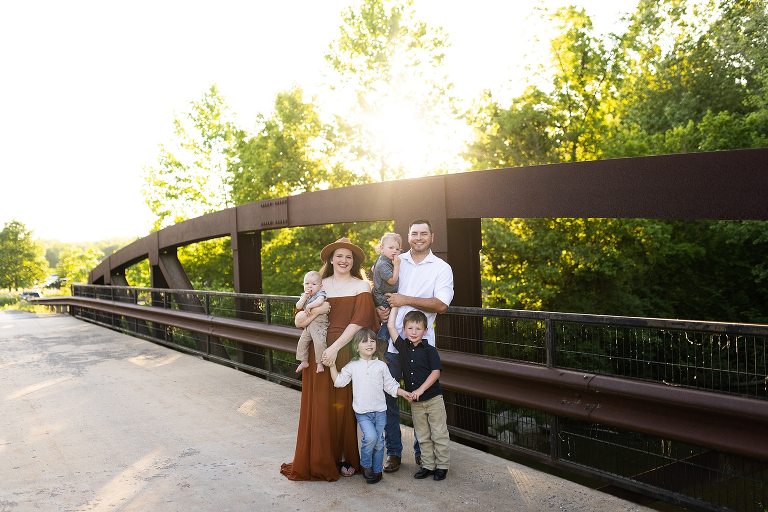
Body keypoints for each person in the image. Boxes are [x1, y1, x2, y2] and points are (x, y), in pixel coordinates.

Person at [280, 237, 379, 481]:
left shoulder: (361, 286)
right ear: (331, 259)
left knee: (343, 407)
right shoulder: (318, 284)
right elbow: (299, 320)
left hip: (343, 349)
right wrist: (318, 311)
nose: (344, 260)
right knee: (319, 404)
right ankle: (319, 458)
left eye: (349, 257)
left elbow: (360, 321)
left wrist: (334, 348)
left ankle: (344, 457)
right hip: (317, 350)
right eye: (339, 256)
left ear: (353, 261)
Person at [380, 219, 454, 473]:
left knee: (421, 399)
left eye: (424, 233)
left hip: (421, 346)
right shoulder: (396, 260)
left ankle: (424, 455)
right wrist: (382, 308)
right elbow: (383, 289)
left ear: (432, 237)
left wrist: (405, 300)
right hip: (392, 344)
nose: (419, 237)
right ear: (408, 236)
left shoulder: (442, 268)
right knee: (388, 397)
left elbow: (442, 305)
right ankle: (394, 452)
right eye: (414, 233)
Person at [329, 328, 412, 484]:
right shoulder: (353, 365)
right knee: (371, 437)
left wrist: (403, 392)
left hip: (380, 411)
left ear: (377, 344)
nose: (369, 344)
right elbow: (339, 381)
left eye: (372, 341)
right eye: (364, 341)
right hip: (362, 412)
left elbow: (390, 385)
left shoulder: (381, 365)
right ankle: (366, 465)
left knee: (379, 442)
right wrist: (332, 365)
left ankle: (377, 470)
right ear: (356, 346)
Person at [388, 310, 450, 481]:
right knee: (422, 435)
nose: (414, 332)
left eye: (418, 328)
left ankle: (442, 466)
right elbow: (391, 326)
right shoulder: (402, 347)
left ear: (426, 330)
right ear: (405, 329)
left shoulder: (430, 350)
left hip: (433, 399)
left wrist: (421, 390)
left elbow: (436, 372)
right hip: (415, 402)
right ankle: (428, 465)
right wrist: (395, 305)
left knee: (438, 433)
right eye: (410, 328)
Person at [294, 271, 328, 374]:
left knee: (319, 342)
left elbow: (320, 302)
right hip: (308, 324)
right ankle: (303, 361)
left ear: (320, 286)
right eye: (307, 283)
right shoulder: (305, 296)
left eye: (314, 284)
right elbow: (298, 306)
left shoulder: (320, 293)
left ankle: (319, 363)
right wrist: (304, 297)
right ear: (303, 285)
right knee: (302, 342)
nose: (310, 286)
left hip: (319, 323)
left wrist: (309, 306)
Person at [371, 232, 402, 342]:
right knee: (389, 318)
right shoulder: (383, 264)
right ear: (382, 248)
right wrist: (397, 266)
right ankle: (382, 338)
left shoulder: (386, 260)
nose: (394, 251)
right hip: (383, 297)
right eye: (391, 247)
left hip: (385, 294)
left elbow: (372, 269)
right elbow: (393, 281)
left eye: (397, 249)